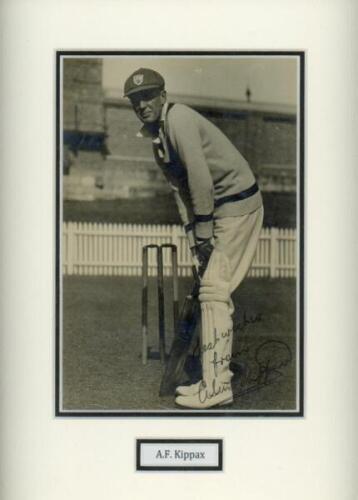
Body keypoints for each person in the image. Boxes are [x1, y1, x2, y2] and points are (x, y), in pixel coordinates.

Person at [124, 68, 264, 409]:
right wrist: (194, 242)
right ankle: (211, 380)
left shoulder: (179, 120)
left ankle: (217, 388)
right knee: (210, 291)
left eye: (148, 97)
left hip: (237, 205)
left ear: (162, 96)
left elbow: (201, 180)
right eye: (135, 100)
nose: (142, 105)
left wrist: (204, 235)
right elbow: (180, 192)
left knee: (214, 291)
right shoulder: (157, 140)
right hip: (219, 211)